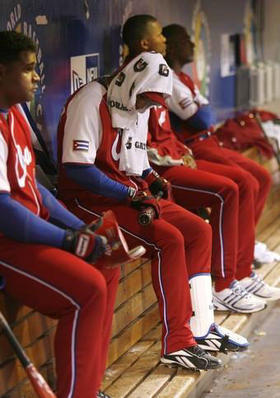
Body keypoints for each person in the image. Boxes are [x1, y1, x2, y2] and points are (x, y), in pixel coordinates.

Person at [57, 48, 248, 370]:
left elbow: (137, 163)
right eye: (146, 99)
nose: (148, 106)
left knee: (198, 230)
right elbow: (77, 169)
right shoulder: (92, 100)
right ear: (131, 83)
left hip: (124, 195)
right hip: (86, 200)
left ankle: (202, 329)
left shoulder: (136, 103)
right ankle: (177, 343)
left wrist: (153, 179)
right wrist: (129, 194)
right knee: (168, 240)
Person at [120, 15, 275, 312]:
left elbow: (171, 132)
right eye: (160, 37)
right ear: (143, 43)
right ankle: (225, 281)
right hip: (159, 171)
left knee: (246, 181)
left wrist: (177, 150)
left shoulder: (163, 76)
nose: (164, 40)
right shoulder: (130, 85)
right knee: (231, 188)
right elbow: (142, 147)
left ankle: (239, 270)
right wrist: (176, 155)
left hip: (178, 157)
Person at [0, 30, 119, 398]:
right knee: (88, 289)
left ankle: (87, 386)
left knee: (106, 268)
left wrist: (83, 227)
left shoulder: (16, 113)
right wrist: (68, 239)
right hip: (8, 243)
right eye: (28, 69)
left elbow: (33, 188)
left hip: (28, 233)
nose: (37, 77)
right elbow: (4, 212)